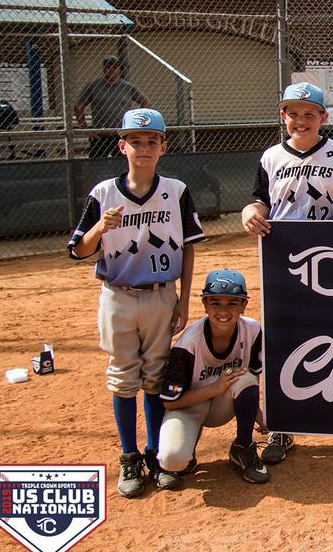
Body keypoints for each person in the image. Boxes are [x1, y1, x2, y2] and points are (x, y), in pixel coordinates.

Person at [67, 108, 204, 497]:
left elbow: (190, 248)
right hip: (118, 296)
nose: (143, 148)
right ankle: (129, 454)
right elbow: (78, 251)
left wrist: (184, 298)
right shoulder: (104, 193)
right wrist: (100, 227)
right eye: (135, 141)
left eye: (151, 141)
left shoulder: (175, 190)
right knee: (123, 374)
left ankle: (156, 453)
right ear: (121, 145)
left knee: (156, 375)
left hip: (162, 294)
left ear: (163, 145)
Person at [242, 81, 333, 466]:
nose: (301, 120)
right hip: (285, 265)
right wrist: (251, 211)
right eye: (293, 113)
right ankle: (284, 427)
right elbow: (259, 199)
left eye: (309, 114)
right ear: (283, 117)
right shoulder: (270, 157)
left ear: (323, 118)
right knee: (284, 342)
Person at [157, 270, 269, 484]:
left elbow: (252, 379)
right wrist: (214, 388)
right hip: (188, 407)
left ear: (244, 305)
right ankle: (187, 452)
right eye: (216, 303)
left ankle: (243, 446)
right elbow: (169, 402)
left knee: (245, 378)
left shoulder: (252, 330)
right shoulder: (189, 342)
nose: (223, 311)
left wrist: (258, 415)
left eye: (232, 303)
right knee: (172, 460)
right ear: (205, 304)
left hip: (221, 406)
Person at [75, 55, 150, 158]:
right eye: (108, 67)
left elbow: (145, 102)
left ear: (119, 69)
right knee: (96, 164)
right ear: (104, 68)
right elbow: (78, 106)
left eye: (114, 67)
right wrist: (85, 128)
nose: (111, 70)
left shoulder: (127, 87)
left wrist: (136, 123)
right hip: (100, 134)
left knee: (122, 164)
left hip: (121, 133)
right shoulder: (94, 86)